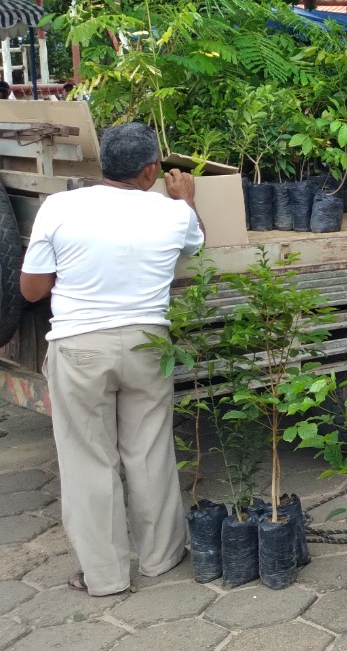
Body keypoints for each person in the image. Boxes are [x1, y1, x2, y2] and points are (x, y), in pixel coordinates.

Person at [20, 123, 203, 596]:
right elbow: (195, 243)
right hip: (148, 343)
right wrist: (185, 197)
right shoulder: (173, 214)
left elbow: (33, 288)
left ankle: (104, 576)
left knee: (88, 459)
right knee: (150, 450)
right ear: (150, 170)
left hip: (80, 347)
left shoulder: (58, 206)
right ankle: (162, 558)